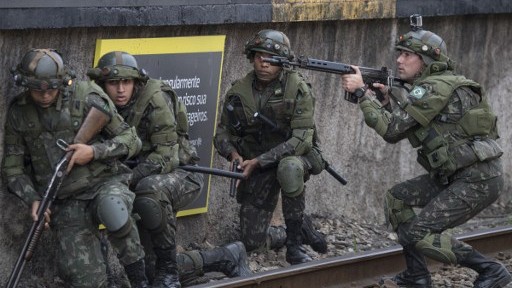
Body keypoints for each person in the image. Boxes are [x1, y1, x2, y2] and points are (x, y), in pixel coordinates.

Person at [341, 16, 512, 288]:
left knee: (418, 233)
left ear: (428, 61)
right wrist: (385, 101)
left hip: (476, 179)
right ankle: (417, 276)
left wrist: (362, 95)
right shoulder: (443, 83)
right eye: (399, 53)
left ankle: (491, 270)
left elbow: (391, 132)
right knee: (396, 199)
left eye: (408, 55)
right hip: (460, 175)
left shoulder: (433, 87)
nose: (399, 60)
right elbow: (409, 127)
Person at [87, 51, 252, 288]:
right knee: (148, 268)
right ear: (103, 85)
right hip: (136, 179)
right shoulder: (98, 104)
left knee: (149, 191)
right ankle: (225, 257)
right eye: (113, 83)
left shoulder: (154, 97)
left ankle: (169, 272)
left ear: (136, 82)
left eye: (126, 82)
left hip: (178, 174)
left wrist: (127, 179)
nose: (121, 89)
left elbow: (165, 155)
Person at [2, 48, 149, 287]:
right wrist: (33, 199)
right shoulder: (19, 112)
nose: (45, 95)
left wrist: (93, 152)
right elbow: (12, 169)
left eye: (51, 88)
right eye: (38, 90)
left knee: (113, 209)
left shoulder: (86, 95)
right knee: (83, 279)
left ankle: (139, 280)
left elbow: (131, 141)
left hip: (104, 183)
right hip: (64, 199)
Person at [213, 29, 328, 265]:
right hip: (259, 164)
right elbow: (223, 132)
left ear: (282, 62)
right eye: (259, 57)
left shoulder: (297, 88)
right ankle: (293, 231)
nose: (264, 63)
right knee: (252, 242)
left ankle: (295, 247)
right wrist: (233, 154)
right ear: (252, 57)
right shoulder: (238, 92)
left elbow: (301, 141)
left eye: (271, 59)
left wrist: (257, 162)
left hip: (295, 157)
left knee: (289, 168)